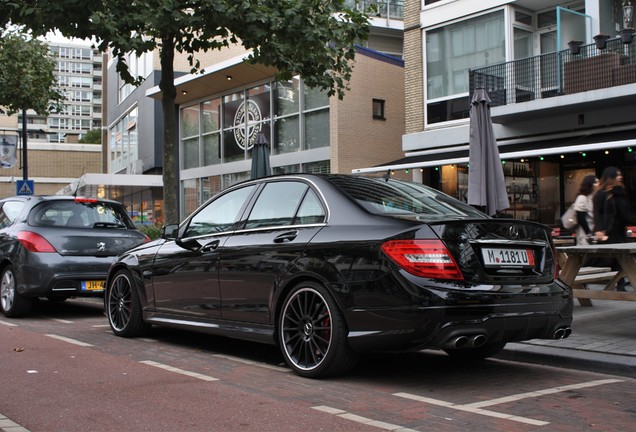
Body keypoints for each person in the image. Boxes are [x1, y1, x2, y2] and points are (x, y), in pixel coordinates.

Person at [593, 166, 631, 291]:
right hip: (608, 231)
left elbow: (624, 211)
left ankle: (620, 282)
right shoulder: (601, 193)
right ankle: (617, 282)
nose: (620, 177)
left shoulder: (618, 192)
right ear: (611, 177)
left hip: (619, 229)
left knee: (620, 257)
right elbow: (596, 212)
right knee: (609, 258)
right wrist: (598, 229)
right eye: (617, 174)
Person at [572, 175, 598, 245]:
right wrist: (589, 233)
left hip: (592, 233)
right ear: (590, 184)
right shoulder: (582, 198)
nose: (598, 184)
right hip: (584, 234)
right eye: (596, 182)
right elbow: (581, 217)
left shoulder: (592, 197)